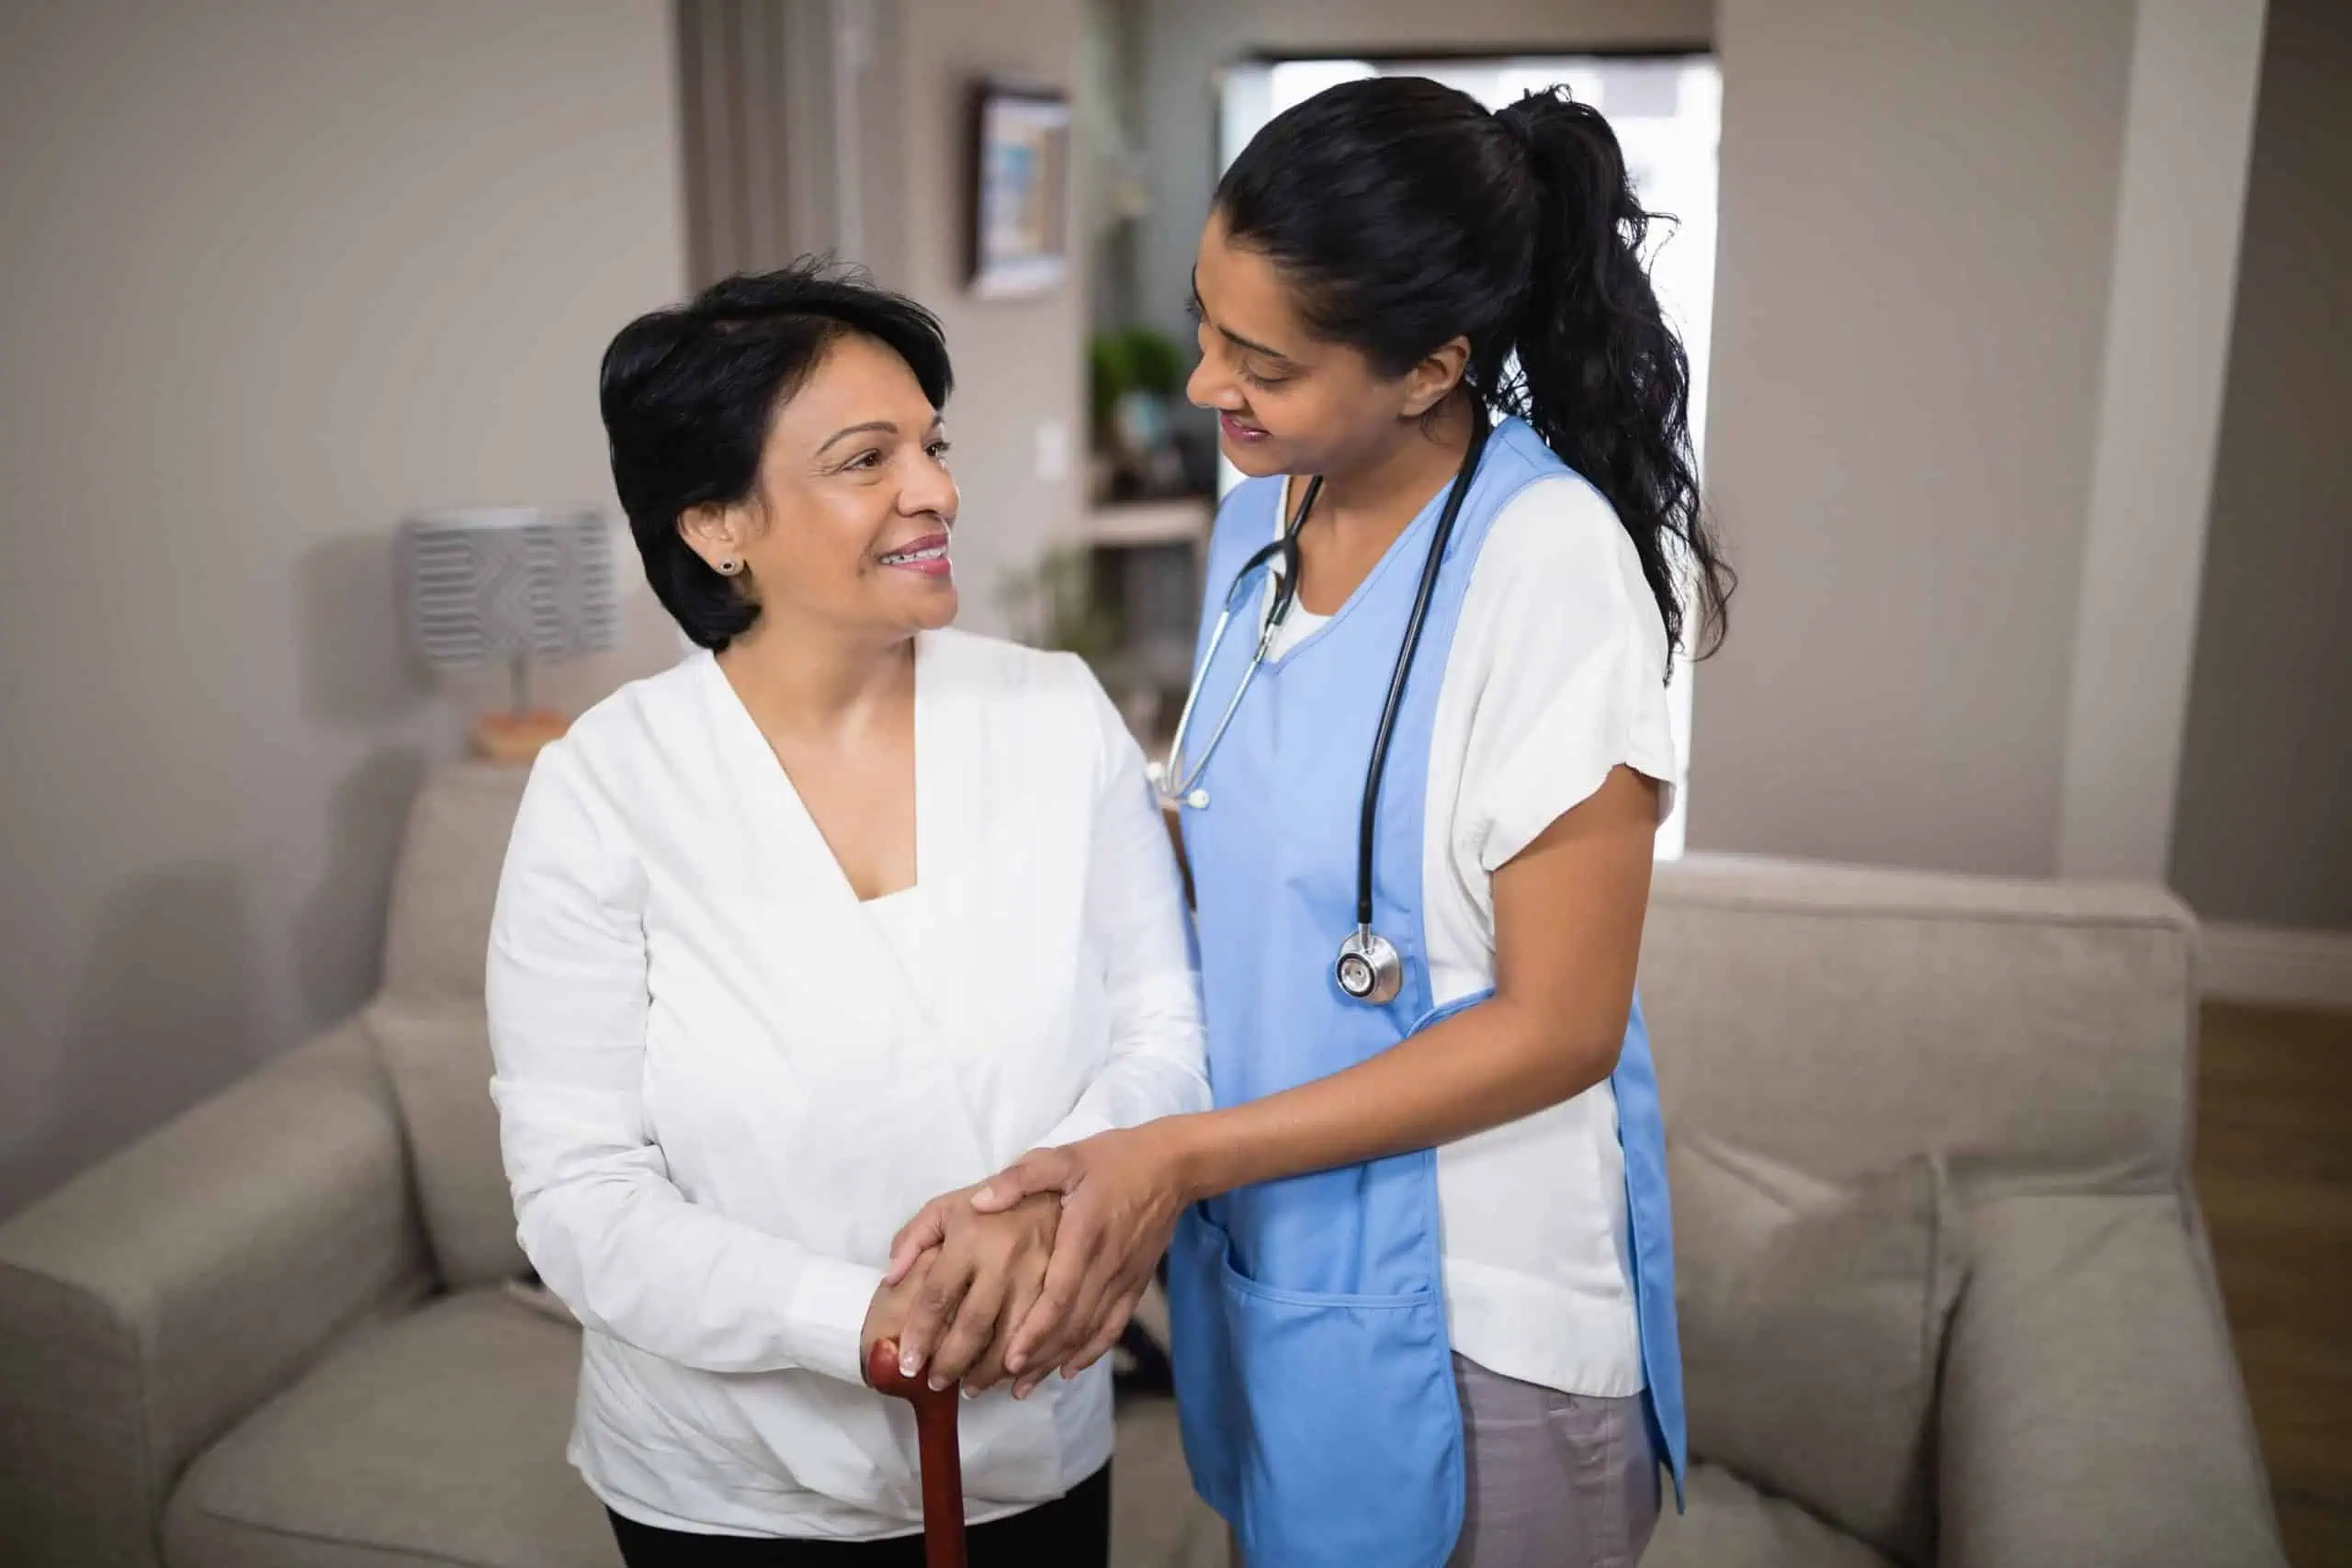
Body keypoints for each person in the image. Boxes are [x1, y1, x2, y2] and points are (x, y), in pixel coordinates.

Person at [888, 78, 1733, 1567]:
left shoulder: (1547, 567)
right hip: (1275, 1264)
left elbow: (1561, 1025)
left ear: (1429, 369)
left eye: (1261, 360)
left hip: (1485, 1311)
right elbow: (1222, 853)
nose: (1209, 383)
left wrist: (1182, 1155)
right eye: (1208, 324)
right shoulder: (1261, 518)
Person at [484, 262, 1207, 1566]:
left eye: (929, 445)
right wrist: (862, 1316)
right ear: (717, 522)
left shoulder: (1053, 717)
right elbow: (579, 1193)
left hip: (1028, 1441)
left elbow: (1162, 1023)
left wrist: (1058, 1208)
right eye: (866, 458)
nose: (934, 489)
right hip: (724, 1487)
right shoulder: (606, 786)